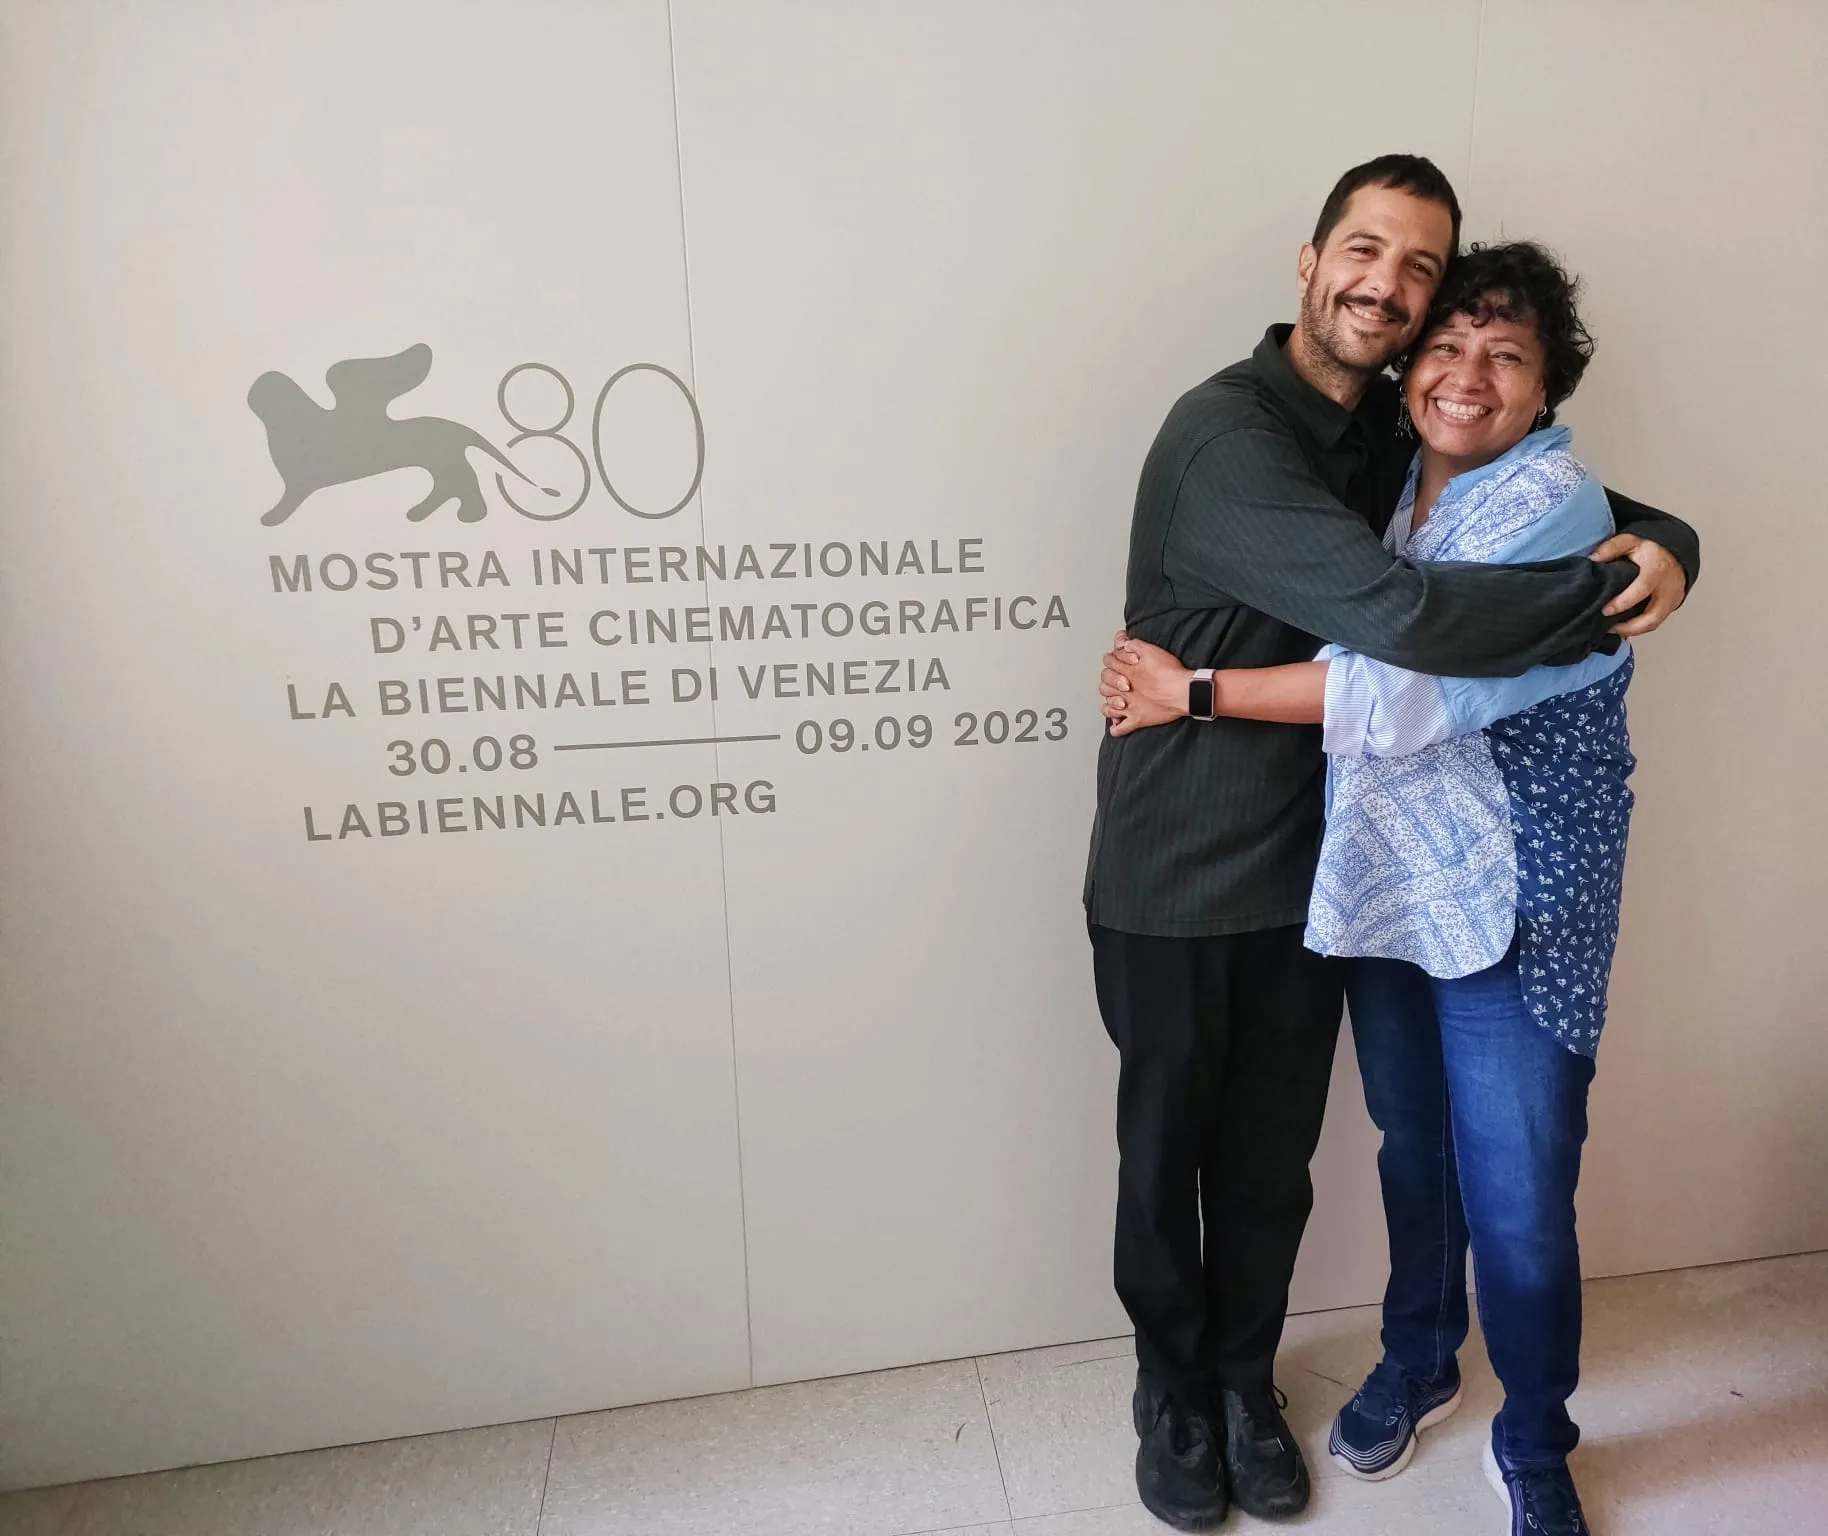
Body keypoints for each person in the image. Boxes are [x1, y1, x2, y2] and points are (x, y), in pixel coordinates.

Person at [1083, 153, 1698, 1534]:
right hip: (1177, 867)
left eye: (1420, 267)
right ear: (1309, 263)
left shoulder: (1375, 435)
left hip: (1319, 875)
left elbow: (1520, 491)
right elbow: (1410, 623)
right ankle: (1173, 1388)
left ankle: (1247, 1382)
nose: (1390, 286)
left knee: (1270, 1163)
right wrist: (1597, 590)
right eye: (1366, 251)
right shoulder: (1230, 438)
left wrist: (1661, 535)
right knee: (1164, 1152)